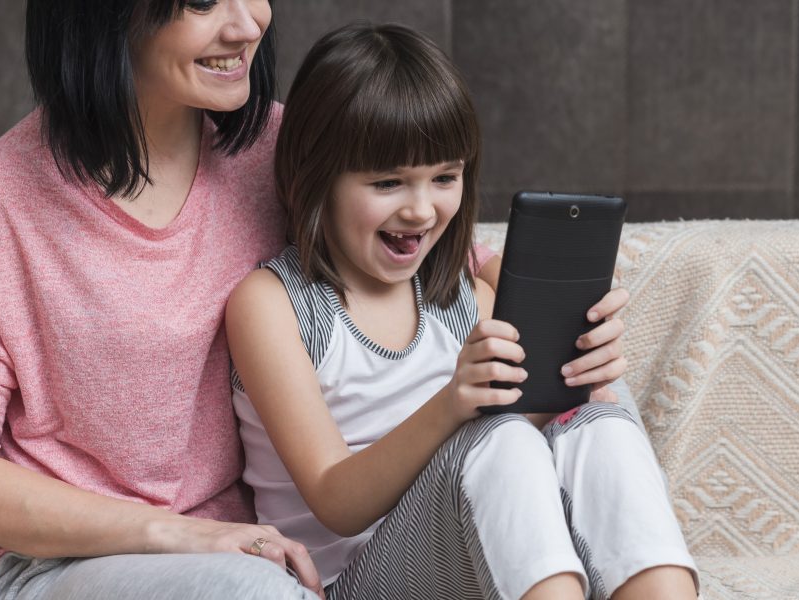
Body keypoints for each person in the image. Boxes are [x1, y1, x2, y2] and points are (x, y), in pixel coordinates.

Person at [227, 22, 700, 600]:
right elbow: (335, 501)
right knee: (495, 440)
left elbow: (523, 448)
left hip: (479, 562)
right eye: (388, 182)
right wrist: (454, 404)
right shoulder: (273, 305)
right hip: (354, 580)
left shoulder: (462, 293)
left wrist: (579, 379)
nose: (422, 210)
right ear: (313, 177)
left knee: (600, 427)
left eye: (444, 177)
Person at [0, 1, 348, 598]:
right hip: (56, 567)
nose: (248, 25)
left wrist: (503, 281)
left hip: (256, 551)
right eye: (200, 2)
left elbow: (429, 236)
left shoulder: (278, 150)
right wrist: (178, 534)